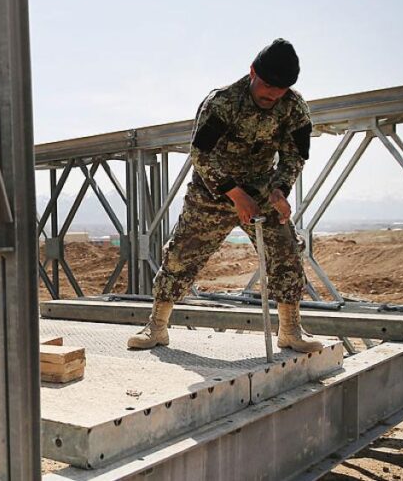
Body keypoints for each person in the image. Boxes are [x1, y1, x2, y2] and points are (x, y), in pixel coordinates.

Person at [128, 38, 321, 354]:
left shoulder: (294, 108)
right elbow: (200, 153)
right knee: (182, 254)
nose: (272, 95)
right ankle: (157, 326)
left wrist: (279, 191)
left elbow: (294, 155)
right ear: (252, 72)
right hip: (212, 190)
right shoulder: (223, 102)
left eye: (280, 90)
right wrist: (233, 193)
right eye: (267, 86)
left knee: (285, 249)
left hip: (261, 188)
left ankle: (290, 330)